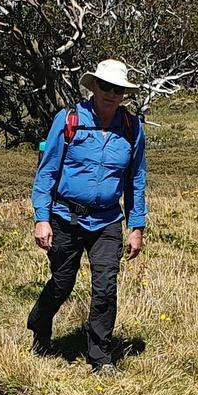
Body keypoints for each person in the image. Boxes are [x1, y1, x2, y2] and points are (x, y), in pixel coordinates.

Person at [27, 60, 147, 374]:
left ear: (124, 94)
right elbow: (48, 171)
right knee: (62, 283)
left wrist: (137, 226)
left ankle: (100, 358)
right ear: (93, 87)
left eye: (118, 89)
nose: (111, 93)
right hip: (65, 216)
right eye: (105, 86)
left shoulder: (133, 129)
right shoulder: (68, 120)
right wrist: (42, 218)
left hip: (107, 220)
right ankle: (40, 326)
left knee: (105, 287)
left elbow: (136, 180)